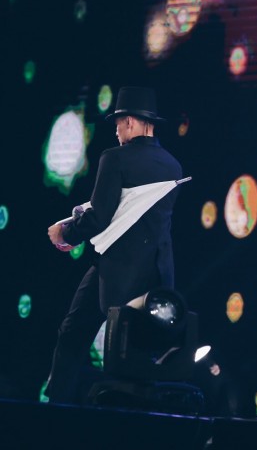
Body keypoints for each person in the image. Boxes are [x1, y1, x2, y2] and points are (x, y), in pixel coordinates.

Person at [45, 86, 183, 404]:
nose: (116, 132)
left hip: (116, 268)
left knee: (73, 334)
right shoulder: (173, 165)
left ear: (130, 122)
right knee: (135, 349)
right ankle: (136, 413)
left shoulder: (115, 158)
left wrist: (65, 234)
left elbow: (100, 216)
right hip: (154, 274)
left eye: (118, 125)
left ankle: (56, 408)